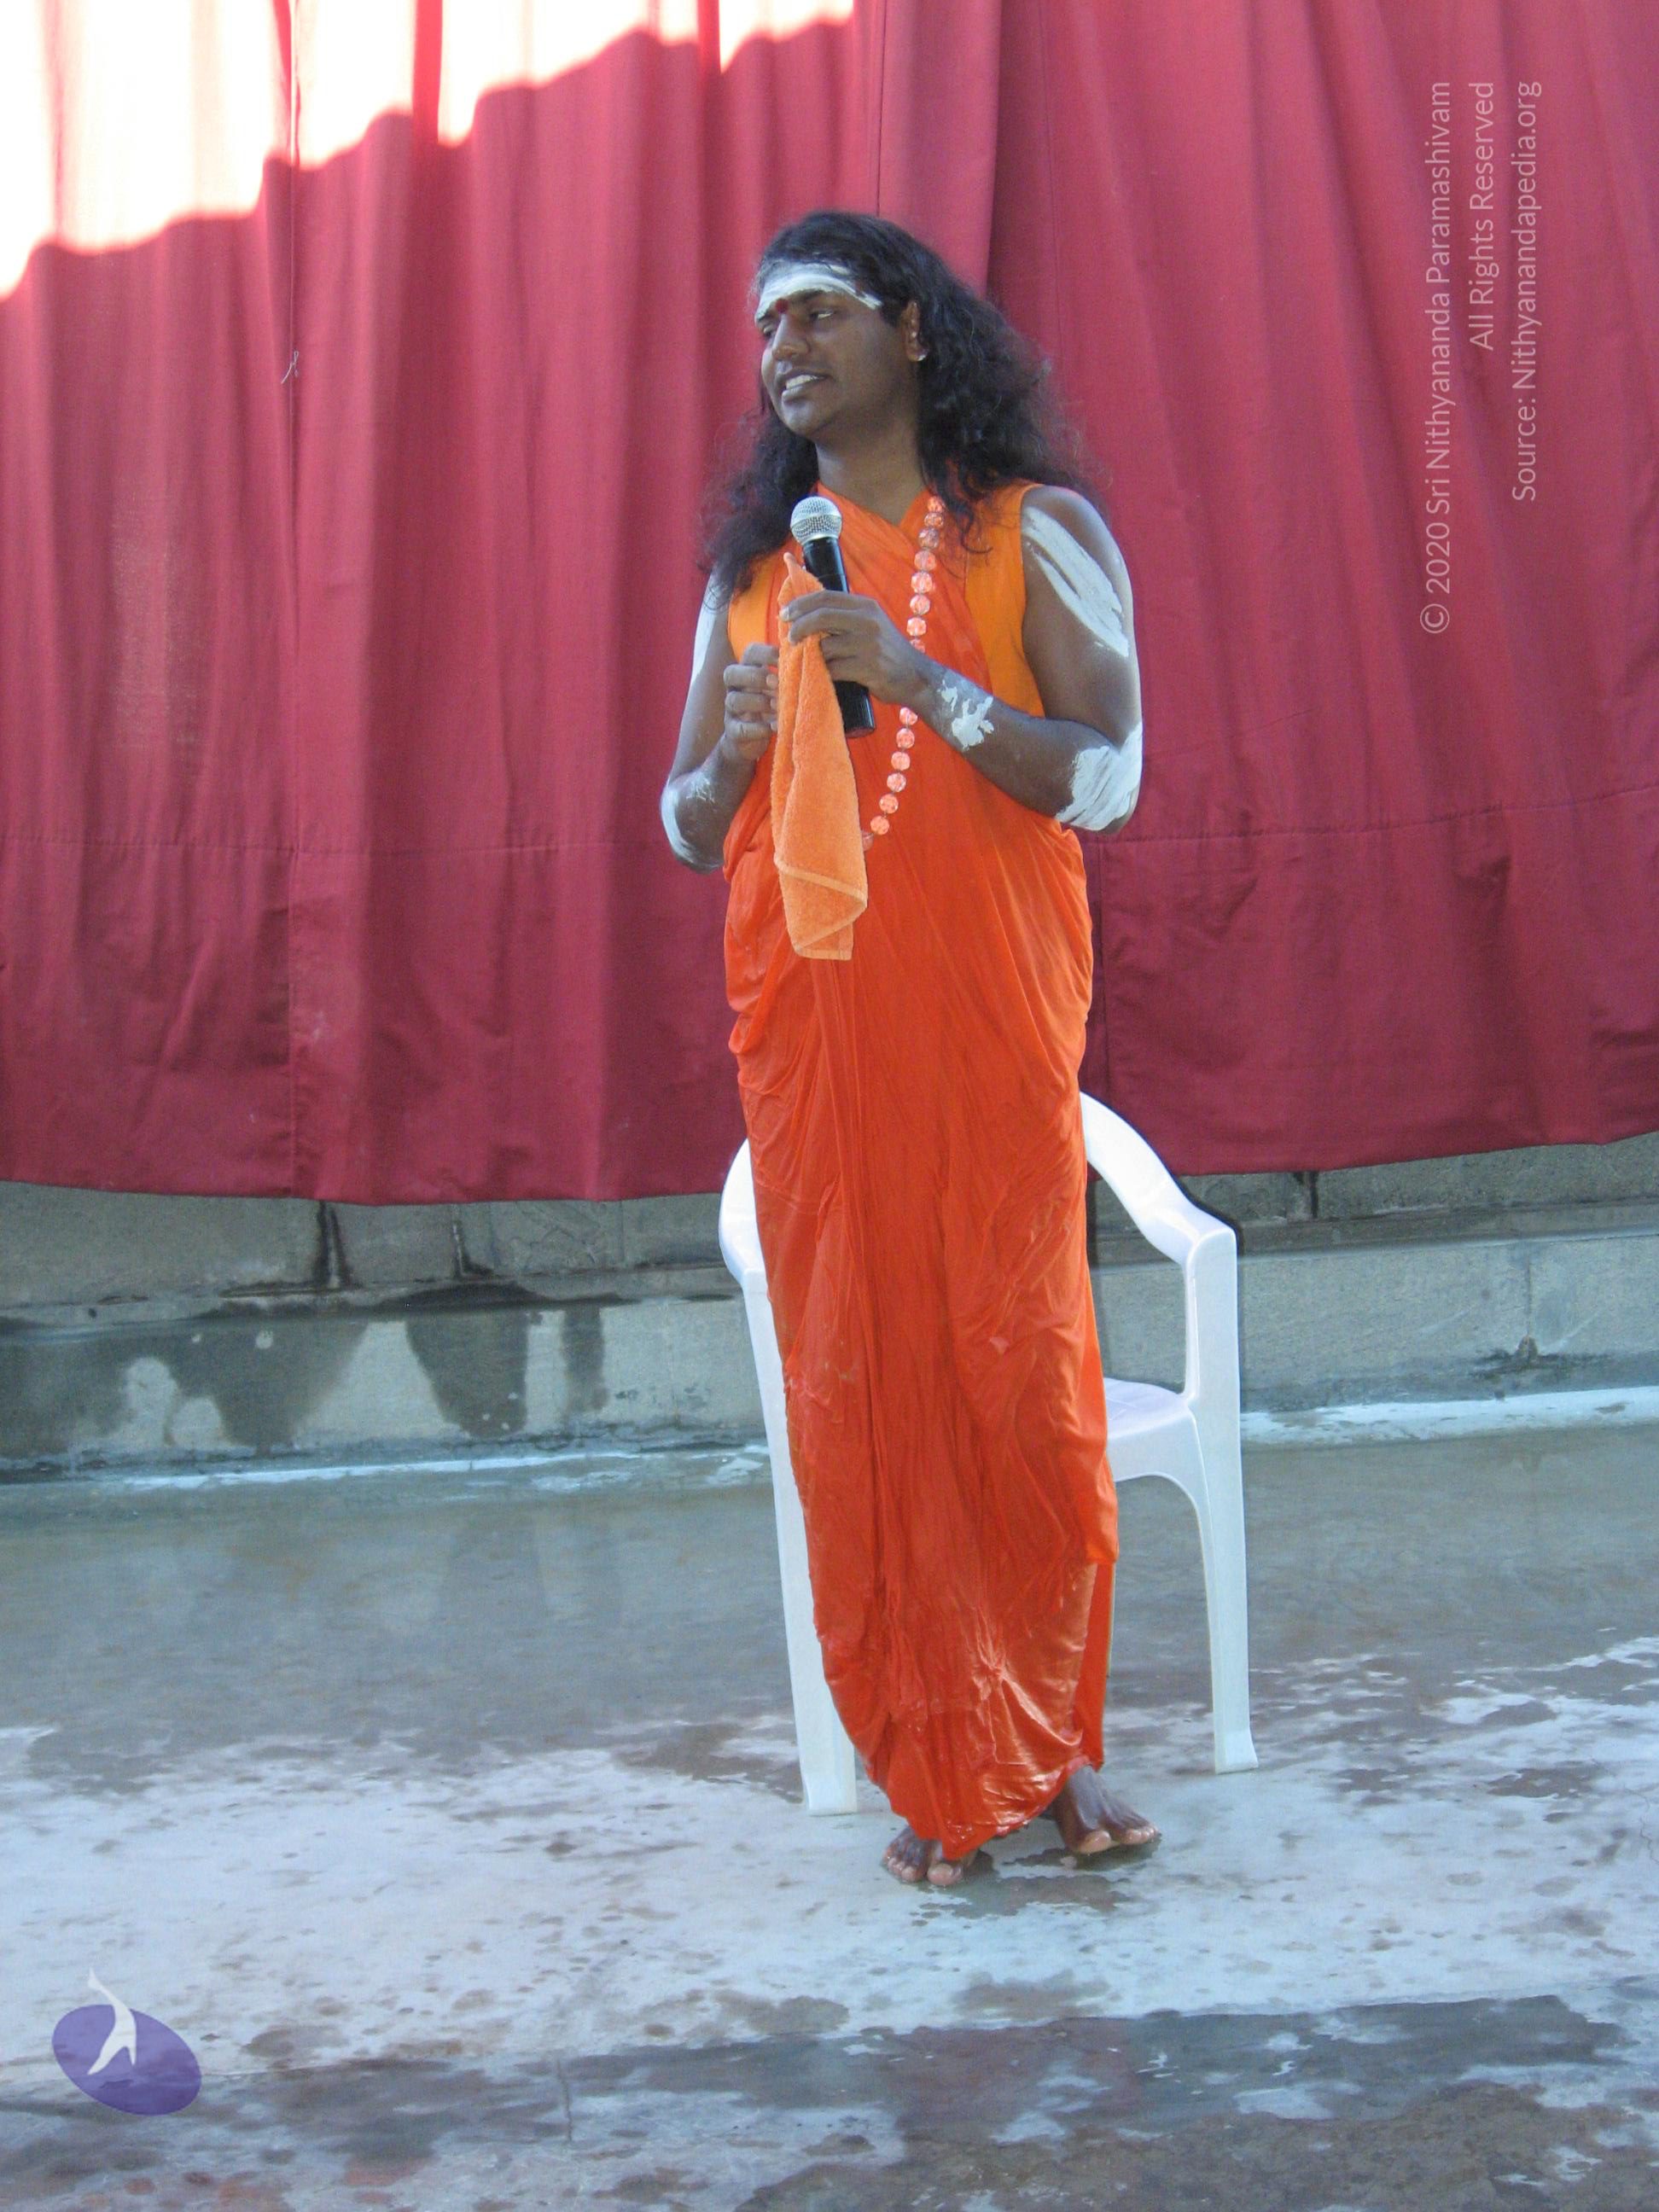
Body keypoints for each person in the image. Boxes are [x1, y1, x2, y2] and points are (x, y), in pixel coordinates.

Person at [661, 210, 1157, 1887]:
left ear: (916, 331)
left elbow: (1112, 775)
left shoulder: (1035, 533)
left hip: (989, 1022)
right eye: (765, 329)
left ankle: (1053, 1744)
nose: (783, 350)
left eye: (816, 312)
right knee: (866, 1390)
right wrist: (734, 757)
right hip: (818, 1043)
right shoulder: (754, 578)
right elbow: (681, 827)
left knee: (1016, 1374)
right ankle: (939, 1764)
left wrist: (928, 683)